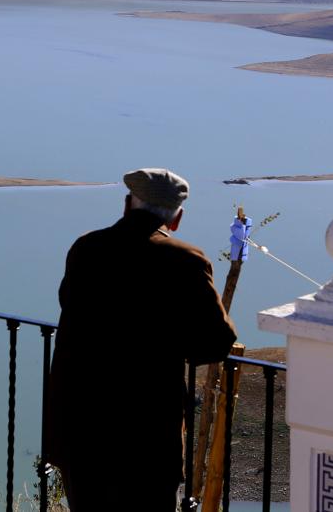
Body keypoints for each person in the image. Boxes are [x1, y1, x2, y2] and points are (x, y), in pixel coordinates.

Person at [43, 168, 238, 511]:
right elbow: (217, 341)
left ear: (126, 206)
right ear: (177, 218)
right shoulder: (186, 260)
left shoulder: (86, 248)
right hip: (145, 434)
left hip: (80, 424)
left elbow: (69, 305)